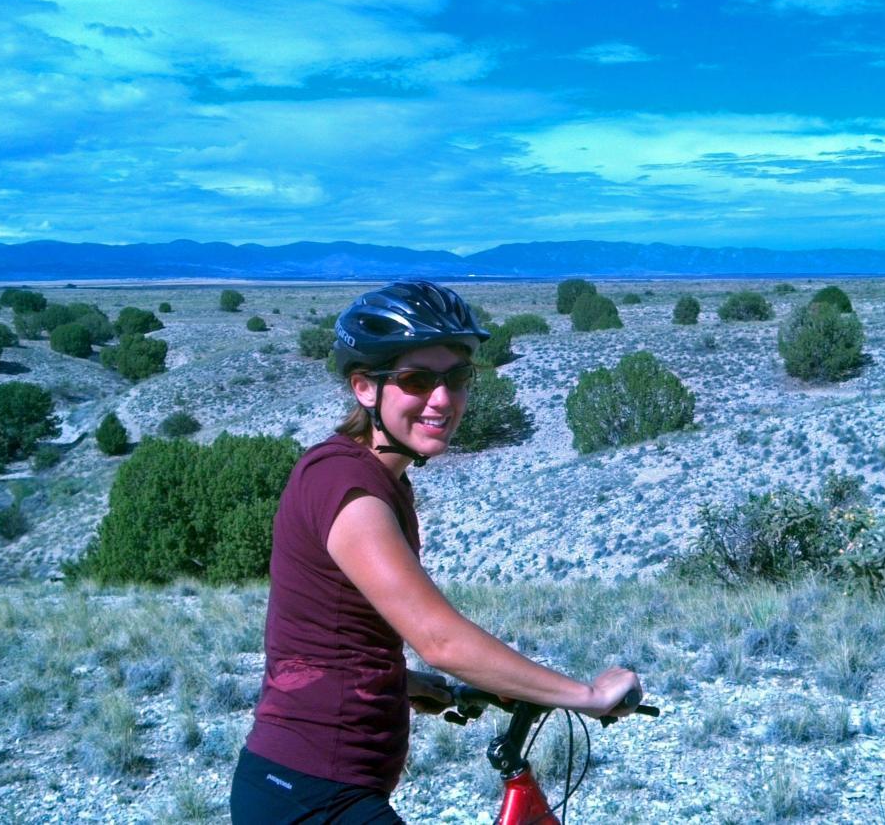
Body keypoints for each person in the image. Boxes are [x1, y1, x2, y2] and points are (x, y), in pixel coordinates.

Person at [230, 281, 641, 824]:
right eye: (417, 380)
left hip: (311, 785)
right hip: (310, 793)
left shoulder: (377, 478)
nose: (442, 399)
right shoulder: (347, 488)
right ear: (363, 388)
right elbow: (439, 639)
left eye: (457, 378)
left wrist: (398, 682)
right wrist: (584, 694)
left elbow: (324, 628)